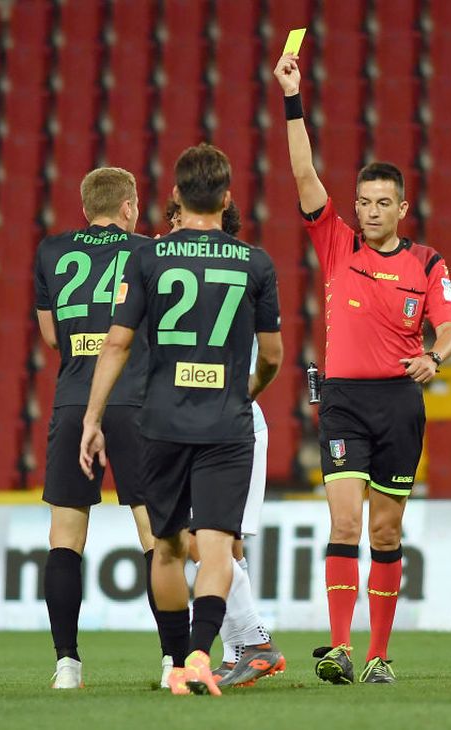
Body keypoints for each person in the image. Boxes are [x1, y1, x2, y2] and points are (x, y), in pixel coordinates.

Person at [273, 53, 451, 684]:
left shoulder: (428, 264)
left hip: (400, 406)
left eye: (384, 203)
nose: (372, 211)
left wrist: (435, 357)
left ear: (402, 208)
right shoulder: (337, 243)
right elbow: (303, 172)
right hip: (345, 400)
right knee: (345, 520)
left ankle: (380, 654)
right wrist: (292, 99)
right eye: (364, 202)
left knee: (385, 531)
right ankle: (339, 648)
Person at [81, 144, 283, 696]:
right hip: (226, 425)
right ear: (226, 197)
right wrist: (248, 392)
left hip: (160, 422)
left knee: (167, 547)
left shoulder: (146, 258)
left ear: (175, 195)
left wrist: (92, 417)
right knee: (217, 548)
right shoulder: (255, 263)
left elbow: (117, 342)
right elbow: (271, 355)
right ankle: (200, 654)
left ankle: (175, 661)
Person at [34, 167, 165, 689]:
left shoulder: (50, 250)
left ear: (86, 206)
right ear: (130, 205)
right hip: (135, 400)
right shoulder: (148, 251)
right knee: (154, 535)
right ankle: (172, 658)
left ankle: (67, 663)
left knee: (66, 537)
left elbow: (51, 336)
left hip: (74, 400)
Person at [163, 198, 284, 688]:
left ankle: (252, 641)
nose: (171, 228)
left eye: (175, 219)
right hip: (214, 423)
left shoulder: (209, 274)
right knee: (217, 544)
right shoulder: (237, 268)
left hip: (231, 426)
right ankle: (245, 648)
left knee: (208, 544)